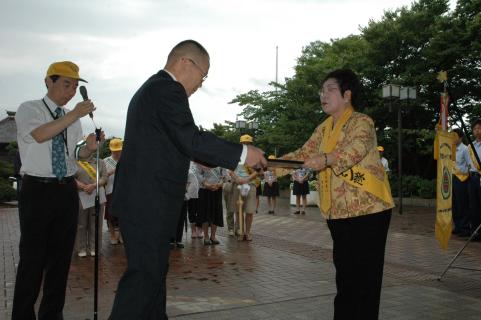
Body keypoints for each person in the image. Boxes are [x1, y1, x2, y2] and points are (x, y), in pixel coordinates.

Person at [109, 40, 266, 320]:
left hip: (144, 200)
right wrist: (243, 153)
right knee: (144, 279)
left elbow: (175, 144)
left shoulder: (152, 89)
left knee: (153, 277)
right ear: (185, 62)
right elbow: (190, 138)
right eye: (203, 75)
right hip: (148, 201)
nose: (201, 84)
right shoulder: (167, 89)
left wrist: (207, 156)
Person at [281, 69, 394, 320]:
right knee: (345, 280)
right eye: (321, 90)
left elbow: (356, 149)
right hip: (338, 213)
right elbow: (302, 154)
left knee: (365, 283)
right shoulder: (323, 129)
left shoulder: (362, 121)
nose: (323, 95)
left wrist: (325, 158)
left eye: (330, 89)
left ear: (347, 94)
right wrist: (268, 165)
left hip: (369, 211)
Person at [13, 61, 100, 320]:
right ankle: (22, 315)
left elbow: (73, 153)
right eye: (66, 84)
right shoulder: (30, 108)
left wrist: (90, 148)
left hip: (65, 190)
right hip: (37, 189)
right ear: (48, 82)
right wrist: (73, 114)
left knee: (61, 259)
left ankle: (52, 314)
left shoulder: (72, 119)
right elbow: (40, 135)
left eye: (75, 85)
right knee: (32, 258)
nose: (72, 90)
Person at [75, 152, 108, 257]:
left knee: (96, 223)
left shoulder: (100, 162)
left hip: (97, 195)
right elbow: (71, 177)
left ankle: (95, 248)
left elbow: (104, 178)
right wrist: (82, 186)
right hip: (81, 196)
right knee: (81, 224)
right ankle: (81, 248)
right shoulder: (74, 163)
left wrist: (94, 185)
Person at [231, 134, 259, 241]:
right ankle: (240, 232)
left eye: (248, 143)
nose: (246, 145)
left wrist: (247, 179)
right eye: (244, 143)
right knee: (238, 210)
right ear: (240, 144)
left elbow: (258, 171)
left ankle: (247, 232)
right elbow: (230, 170)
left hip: (250, 185)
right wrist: (236, 178)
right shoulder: (234, 155)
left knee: (250, 210)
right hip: (237, 184)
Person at [198, 166, 225, 245]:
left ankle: (213, 236)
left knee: (216, 211)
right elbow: (199, 174)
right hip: (204, 189)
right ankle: (206, 236)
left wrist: (220, 184)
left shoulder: (221, 160)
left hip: (217, 188)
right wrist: (207, 184)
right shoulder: (202, 159)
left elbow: (224, 175)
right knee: (205, 211)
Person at [451, 128, 471, 236]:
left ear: (460, 137)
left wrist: (462, 172)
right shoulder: (451, 149)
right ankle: (457, 226)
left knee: (462, 203)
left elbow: (469, 165)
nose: (453, 139)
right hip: (451, 178)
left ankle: (465, 228)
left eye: (455, 136)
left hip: (462, 179)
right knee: (454, 204)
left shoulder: (465, 149)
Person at [104, 138, 123, 245]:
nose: (117, 153)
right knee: (110, 216)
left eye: (119, 150)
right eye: (115, 151)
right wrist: (113, 171)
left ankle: (120, 235)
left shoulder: (126, 161)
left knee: (122, 215)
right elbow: (102, 176)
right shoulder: (105, 161)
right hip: (110, 191)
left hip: (123, 192)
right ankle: (112, 235)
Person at [467, 119, 481, 241]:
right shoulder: (470, 146)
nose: (477, 131)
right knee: (473, 206)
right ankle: (475, 232)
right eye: (475, 129)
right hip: (472, 178)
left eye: (479, 128)